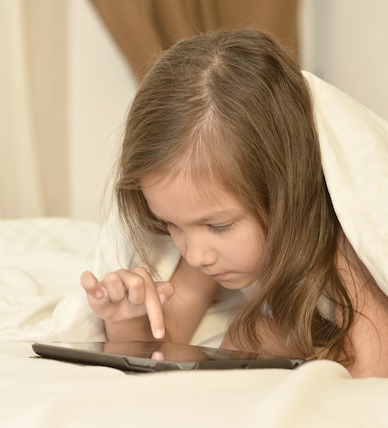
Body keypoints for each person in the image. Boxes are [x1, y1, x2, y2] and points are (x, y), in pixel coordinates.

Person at [80, 28, 388, 377]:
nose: (196, 255)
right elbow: (167, 344)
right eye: (171, 225)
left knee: (257, 333)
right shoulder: (205, 244)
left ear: (285, 186)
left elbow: (373, 376)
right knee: (253, 332)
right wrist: (128, 320)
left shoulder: (344, 228)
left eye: (219, 226)